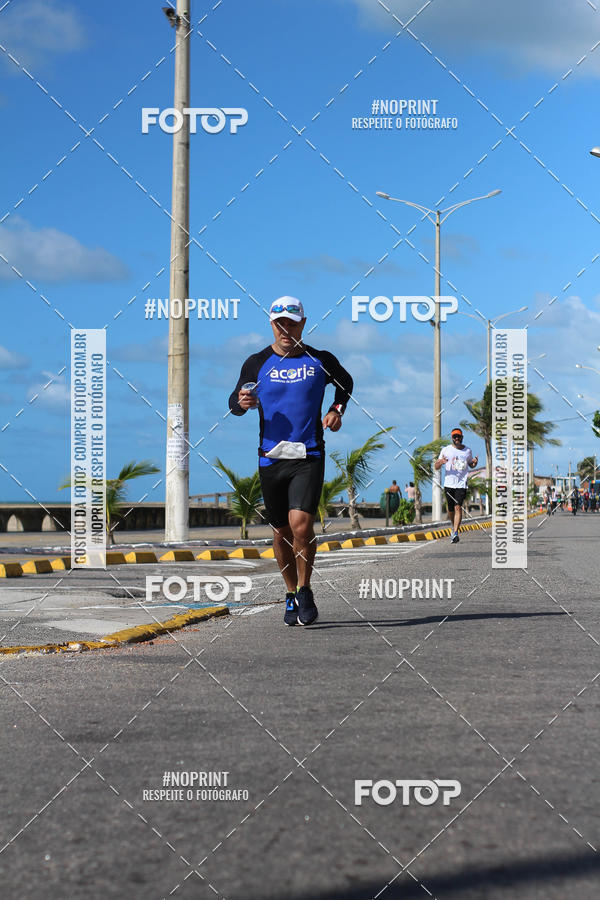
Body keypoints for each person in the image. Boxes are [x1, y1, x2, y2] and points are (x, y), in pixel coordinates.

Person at [228, 297, 353, 626]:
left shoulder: (319, 360)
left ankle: (306, 588)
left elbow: (346, 383)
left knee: (301, 525)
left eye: (292, 323)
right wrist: (242, 402)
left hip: (308, 455)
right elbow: (234, 402)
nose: (286, 329)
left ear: (303, 323)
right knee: (281, 531)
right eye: (279, 323)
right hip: (270, 459)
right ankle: (289, 593)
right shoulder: (257, 362)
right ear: (271, 324)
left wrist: (336, 411)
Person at [434, 427, 479, 543]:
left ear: (462, 437)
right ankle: (452, 524)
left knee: (458, 507)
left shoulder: (467, 451)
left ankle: (455, 533)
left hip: (461, 484)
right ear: (452, 438)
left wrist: (474, 463)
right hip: (449, 483)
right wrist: (440, 462)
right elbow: (436, 466)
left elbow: (471, 464)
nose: (457, 438)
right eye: (455, 436)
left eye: (458, 436)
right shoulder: (445, 450)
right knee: (450, 509)